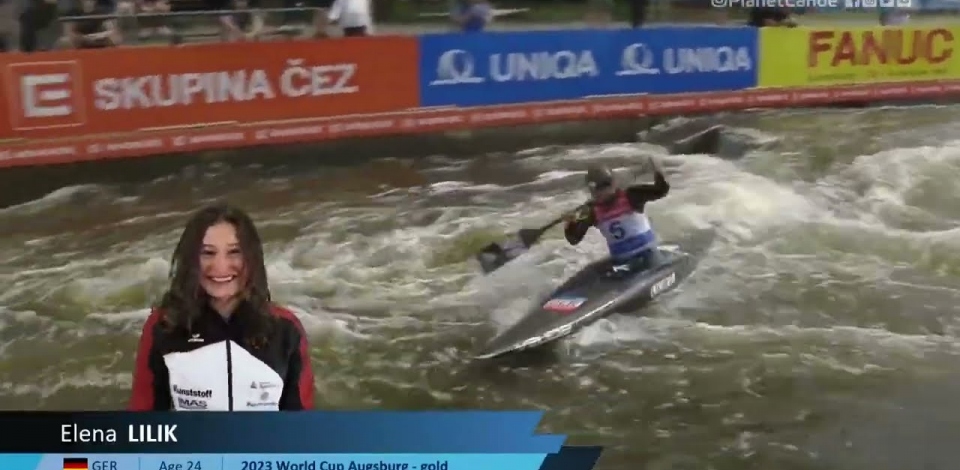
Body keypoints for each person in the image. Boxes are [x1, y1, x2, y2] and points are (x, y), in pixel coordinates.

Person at [129, 203, 315, 411]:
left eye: (234, 252)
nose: (220, 266)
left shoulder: (286, 329)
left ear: (252, 258)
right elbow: (142, 416)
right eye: (208, 253)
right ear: (190, 261)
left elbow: (302, 422)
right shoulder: (165, 325)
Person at [563, 159, 669, 274]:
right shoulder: (592, 211)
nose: (602, 192)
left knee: (650, 262)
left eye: (605, 186)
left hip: (647, 254)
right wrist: (570, 223)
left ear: (613, 184)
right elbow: (574, 239)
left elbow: (661, 190)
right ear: (592, 191)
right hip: (622, 261)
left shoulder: (631, 196)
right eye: (597, 190)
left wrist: (658, 171)